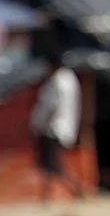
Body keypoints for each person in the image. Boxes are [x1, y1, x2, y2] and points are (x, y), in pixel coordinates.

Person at [29, 64, 82, 198]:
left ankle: (76, 189)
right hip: (60, 128)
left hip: (52, 129)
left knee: (55, 165)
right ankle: (47, 195)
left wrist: (37, 124)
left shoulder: (57, 81)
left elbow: (50, 107)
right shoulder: (69, 79)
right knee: (49, 165)